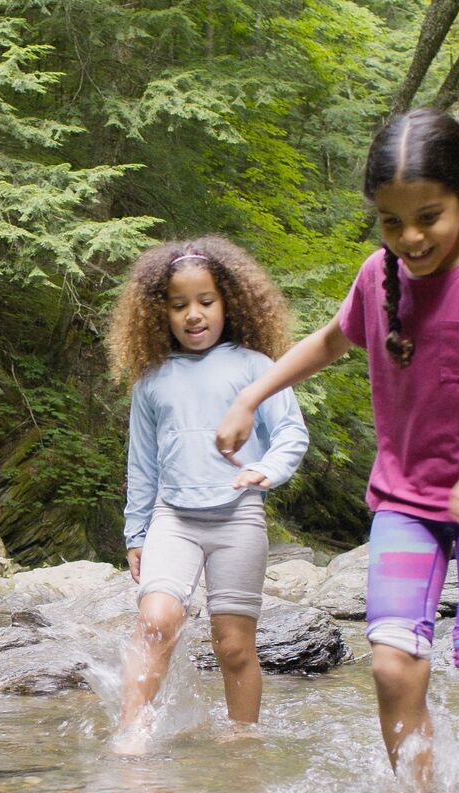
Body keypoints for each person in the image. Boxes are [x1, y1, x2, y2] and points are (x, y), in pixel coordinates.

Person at [214, 109, 459, 785]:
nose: (411, 238)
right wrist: (251, 396)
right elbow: (331, 339)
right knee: (392, 664)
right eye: (392, 222)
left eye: (429, 216)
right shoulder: (378, 275)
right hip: (405, 501)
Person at [114, 236, 309, 750]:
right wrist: (136, 533)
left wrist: (267, 469)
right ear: (162, 313)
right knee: (156, 620)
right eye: (179, 306)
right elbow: (143, 465)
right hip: (172, 518)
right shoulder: (151, 380)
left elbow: (291, 432)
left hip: (239, 519)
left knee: (234, 646)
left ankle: (242, 742)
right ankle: (131, 734)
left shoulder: (255, 366)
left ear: (230, 303)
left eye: (206, 302)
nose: (193, 315)